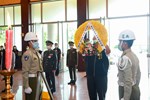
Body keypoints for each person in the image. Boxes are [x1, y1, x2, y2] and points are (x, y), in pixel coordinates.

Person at [117, 30, 141, 100]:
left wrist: (126, 98)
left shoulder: (125, 58)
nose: (119, 44)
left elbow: (127, 81)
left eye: (120, 42)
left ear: (125, 43)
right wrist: (135, 86)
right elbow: (138, 75)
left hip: (126, 90)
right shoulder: (134, 55)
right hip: (134, 88)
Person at [22, 32, 43, 100]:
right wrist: (26, 86)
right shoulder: (27, 54)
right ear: (30, 42)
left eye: (36, 41)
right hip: (31, 80)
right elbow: (25, 71)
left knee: (38, 97)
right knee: (32, 98)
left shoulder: (37, 53)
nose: (37, 42)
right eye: (35, 41)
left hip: (38, 78)